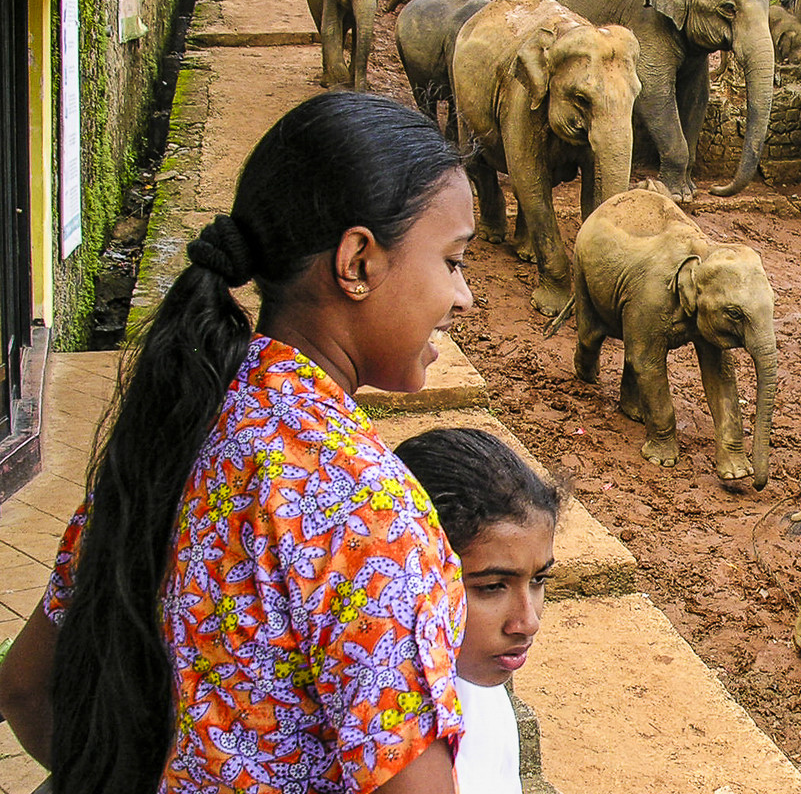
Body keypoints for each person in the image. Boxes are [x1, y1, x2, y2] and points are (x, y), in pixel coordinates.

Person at [0, 93, 474, 793]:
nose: (462, 296)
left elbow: (24, 690)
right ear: (358, 262)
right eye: (452, 261)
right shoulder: (365, 509)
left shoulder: (183, 419)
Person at [395, 427, 560, 794]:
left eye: (538, 580)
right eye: (491, 587)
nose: (527, 622)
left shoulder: (486, 699)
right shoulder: (392, 737)